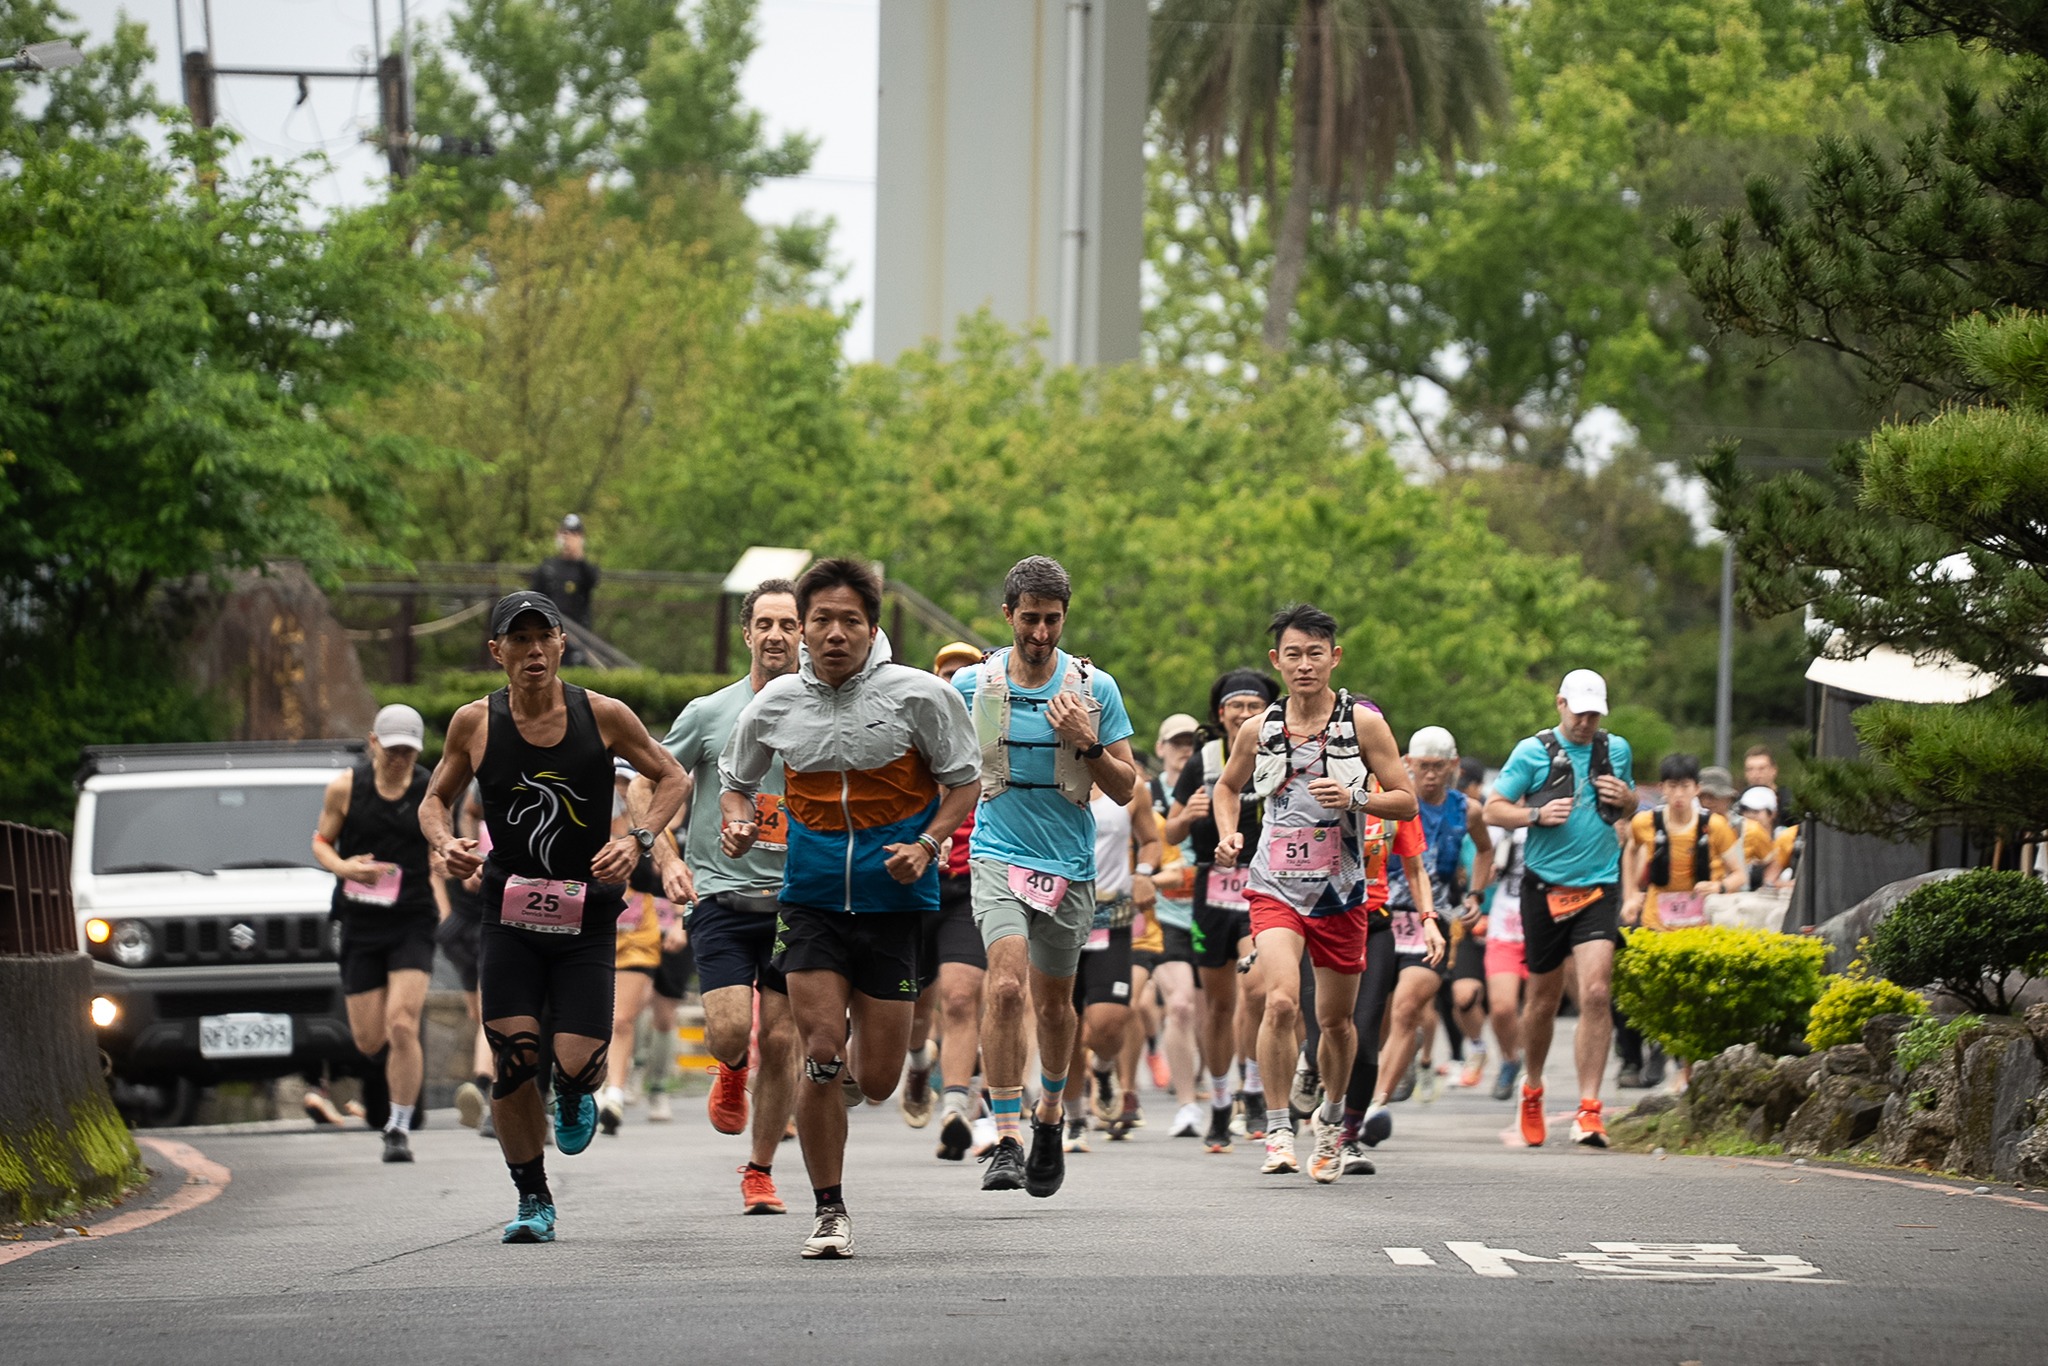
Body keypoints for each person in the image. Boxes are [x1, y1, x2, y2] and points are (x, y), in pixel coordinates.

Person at [719, 558, 980, 1258]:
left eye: (850, 621)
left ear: (874, 626)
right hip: (809, 903)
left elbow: (964, 783)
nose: (835, 634)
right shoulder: (773, 704)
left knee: (877, 1077)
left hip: (894, 902)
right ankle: (829, 1210)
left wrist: (926, 846)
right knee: (822, 1055)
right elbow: (735, 783)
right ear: (803, 628)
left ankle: (886, 1078)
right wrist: (738, 822)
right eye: (822, 621)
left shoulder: (921, 696)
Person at [420, 590, 687, 1244]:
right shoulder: (474, 724)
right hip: (508, 915)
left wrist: (638, 840)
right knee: (514, 1061)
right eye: (519, 639)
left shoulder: (604, 716)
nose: (533, 650)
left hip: (587, 919)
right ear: (497, 652)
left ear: (562, 644)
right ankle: (532, 1196)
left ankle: (573, 1090)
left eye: (544, 637)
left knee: (578, 1063)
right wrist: (447, 842)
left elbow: (673, 778)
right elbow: (435, 798)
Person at [953, 556, 1139, 1200]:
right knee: (1005, 987)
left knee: (1055, 1006)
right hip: (996, 853)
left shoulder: (1096, 689)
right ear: (1008, 616)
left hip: (1069, 865)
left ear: (1065, 618)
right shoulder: (973, 686)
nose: (1040, 632)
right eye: (1029, 619)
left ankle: (1051, 1115)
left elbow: (1125, 790)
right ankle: (1005, 1137)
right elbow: (935, 767)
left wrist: (1087, 742)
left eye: (1051, 620)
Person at [1212, 604, 1418, 1182]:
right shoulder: (1260, 729)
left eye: (1315, 653)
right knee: (1279, 1001)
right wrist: (1230, 834)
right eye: (1293, 655)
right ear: (1276, 661)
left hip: (1342, 892)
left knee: (1335, 1023)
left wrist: (1356, 799)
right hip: (1274, 886)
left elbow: (1405, 801)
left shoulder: (1364, 725)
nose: (1305, 665)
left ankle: (1329, 1121)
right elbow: (1229, 788)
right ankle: (1278, 1129)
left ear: (1335, 657)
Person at [638, 579, 804, 1216]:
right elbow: (644, 782)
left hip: (798, 900)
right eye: (765, 624)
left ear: (803, 634)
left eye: (788, 625)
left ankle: (759, 1171)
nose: (776, 636)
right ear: (747, 633)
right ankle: (731, 1066)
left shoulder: (825, 713)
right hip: (723, 899)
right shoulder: (709, 713)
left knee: (785, 1041)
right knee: (732, 1031)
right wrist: (665, 854)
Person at [1482, 669, 1637, 1149]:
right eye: (1580, 711)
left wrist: (1627, 798)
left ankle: (1589, 1109)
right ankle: (1532, 1089)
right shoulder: (1532, 752)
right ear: (1560, 704)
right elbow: (1492, 809)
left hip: (1599, 887)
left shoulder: (1617, 750)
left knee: (1594, 992)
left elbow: (1629, 810)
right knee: (1543, 1000)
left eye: (1595, 713)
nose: (1587, 722)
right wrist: (1534, 815)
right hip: (1544, 888)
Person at [312, 704, 447, 1164]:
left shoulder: (430, 788)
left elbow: (442, 840)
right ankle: (391, 1070)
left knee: (403, 1022)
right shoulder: (346, 788)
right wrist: (344, 867)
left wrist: (448, 858)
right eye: (392, 750)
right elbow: (321, 842)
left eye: (408, 751)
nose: (399, 759)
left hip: (412, 917)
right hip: (360, 921)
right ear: (373, 743)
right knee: (369, 1040)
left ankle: (398, 1126)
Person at [1163, 669, 1281, 1153]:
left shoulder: (1281, 752)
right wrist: (1187, 816)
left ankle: (1252, 1088)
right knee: (1218, 1004)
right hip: (1213, 888)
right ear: (1221, 713)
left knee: (1256, 991)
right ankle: (1217, 1100)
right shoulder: (1204, 760)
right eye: (1238, 705)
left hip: (1263, 883)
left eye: (1255, 705)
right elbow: (1168, 833)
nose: (1246, 713)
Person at [1374, 726, 1491, 1114]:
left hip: (1433, 916)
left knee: (1408, 1008)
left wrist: (1475, 894)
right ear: (1406, 764)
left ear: (1453, 766)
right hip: (1384, 911)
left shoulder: (1467, 809)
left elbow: (1485, 852)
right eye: (1422, 766)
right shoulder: (1388, 801)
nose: (1430, 775)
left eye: (1438, 767)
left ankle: (1376, 1104)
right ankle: (1370, 1079)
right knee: (1373, 1011)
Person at [1618, 753, 1742, 1089]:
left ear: (1696, 789)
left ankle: (1685, 1070)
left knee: (1692, 996)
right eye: (1672, 786)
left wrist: (1716, 886)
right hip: (1657, 919)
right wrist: (1631, 894)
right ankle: (1660, 1048)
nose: (1678, 794)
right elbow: (1629, 850)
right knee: (1660, 992)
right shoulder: (1646, 823)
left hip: (1699, 923)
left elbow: (1739, 875)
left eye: (1685, 786)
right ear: (1662, 788)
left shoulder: (1713, 826)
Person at [927, 642, 996, 1162]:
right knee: (910, 1011)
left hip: (972, 881)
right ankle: (913, 1067)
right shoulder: (920, 732)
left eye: (966, 675)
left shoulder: (998, 736)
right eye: (947, 674)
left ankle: (955, 1107)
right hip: (916, 879)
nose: (957, 684)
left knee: (959, 995)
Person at [598, 759, 687, 1135]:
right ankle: (603, 1083)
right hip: (604, 927)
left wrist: (681, 921)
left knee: (656, 1014)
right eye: (614, 781)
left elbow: (680, 872)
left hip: (657, 930)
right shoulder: (591, 819)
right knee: (608, 1014)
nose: (620, 788)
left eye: (626, 782)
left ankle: (650, 1088)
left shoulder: (654, 828)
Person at [1144, 714, 1206, 1138]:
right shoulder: (1146, 795)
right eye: (1177, 742)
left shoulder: (1217, 785)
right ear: (1161, 747)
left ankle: (1222, 1090)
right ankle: (1186, 1106)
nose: (1186, 749)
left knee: (1220, 1011)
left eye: (1193, 743)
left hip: (1215, 908)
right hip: (1164, 914)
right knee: (1180, 1004)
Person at [1744, 745, 1793, 825]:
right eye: (1750, 769)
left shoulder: (1788, 803)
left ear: (1774, 770)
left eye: (1762, 769)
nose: (1755, 775)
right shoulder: (1740, 802)